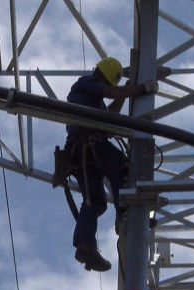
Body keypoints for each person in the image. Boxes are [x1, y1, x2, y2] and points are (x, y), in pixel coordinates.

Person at [64, 57, 157, 272]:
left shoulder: (91, 99)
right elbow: (112, 94)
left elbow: (110, 114)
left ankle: (85, 247)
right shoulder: (86, 83)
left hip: (83, 154)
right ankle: (125, 212)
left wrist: (127, 91)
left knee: (95, 203)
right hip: (87, 146)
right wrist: (141, 88)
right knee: (122, 168)